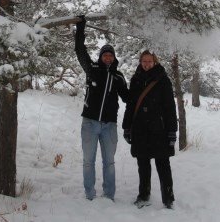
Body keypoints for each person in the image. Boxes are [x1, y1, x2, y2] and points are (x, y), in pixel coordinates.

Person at [74, 15, 129, 201]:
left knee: (109, 163)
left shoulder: (119, 77)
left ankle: (109, 195)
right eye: (105, 54)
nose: (107, 57)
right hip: (90, 123)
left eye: (110, 55)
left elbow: (128, 98)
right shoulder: (92, 69)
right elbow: (80, 50)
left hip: (109, 126)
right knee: (88, 162)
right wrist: (81, 28)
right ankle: (90, 194)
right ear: (101, 57)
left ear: (114, 58)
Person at [122, 50, 178, 209]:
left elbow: (169, 107)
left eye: (149, 61)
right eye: (144, 61)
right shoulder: (136, 79)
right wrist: (127, 127)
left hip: (158, 129)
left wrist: (172, 130)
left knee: (163, 164)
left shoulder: (163, 79)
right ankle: (144, 195)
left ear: (155, 62)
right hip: (140, 128)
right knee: (143, 164)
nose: (147, 64)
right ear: (140, 62)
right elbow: (131, 105)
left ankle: (168, 199)